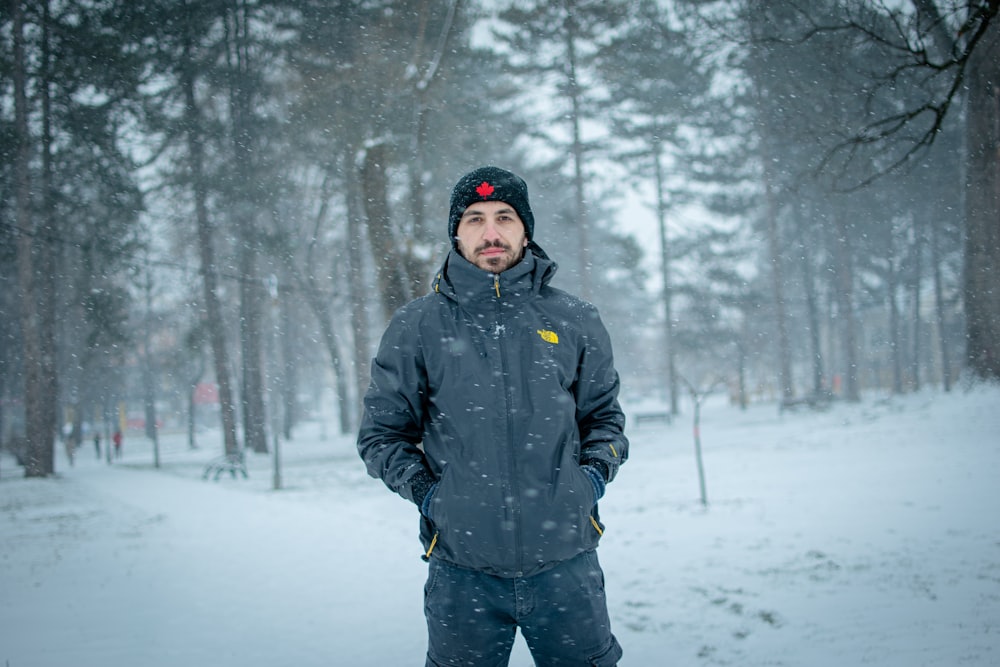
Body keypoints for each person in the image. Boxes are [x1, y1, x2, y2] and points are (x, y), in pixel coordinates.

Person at [357, 166, 629, 666]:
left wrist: (585, 483)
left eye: (504, 217)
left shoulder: (575, 320)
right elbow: (382, 436)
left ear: (525, 229)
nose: (491, 232)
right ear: (456, 233)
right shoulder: (418, 325)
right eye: (475, 218)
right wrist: (433, 497)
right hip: (463, 573)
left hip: (565, 565)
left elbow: (606, 422)